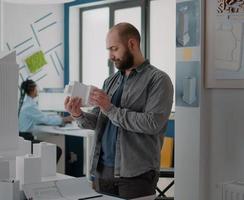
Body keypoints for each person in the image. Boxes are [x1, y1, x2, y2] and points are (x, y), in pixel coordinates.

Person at [64, 22, 174, 199]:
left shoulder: (159, 80)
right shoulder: (110, 81)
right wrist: (78, 114)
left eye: (114, 48)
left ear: (132, 44)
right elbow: (100, 121)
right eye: (108, 50)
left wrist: (109, 108)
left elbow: (153, 124)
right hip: (101, 170)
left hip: (136, 175)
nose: (110, 56)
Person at [18, 79, 73, 162]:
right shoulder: (29, 105)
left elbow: (39, 118)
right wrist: (64, 119)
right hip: (27, 140)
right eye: (36, 88)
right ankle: (47, 173)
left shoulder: (24, 103)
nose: (38, 90)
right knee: (57, 151)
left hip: (23, 138)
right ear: (32, 89)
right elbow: (45, 119)